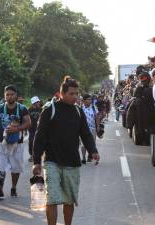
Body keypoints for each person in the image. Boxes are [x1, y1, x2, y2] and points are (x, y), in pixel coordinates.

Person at [32, 76, 99, 225]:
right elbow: (40, 137)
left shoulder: (78, 112)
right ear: (61, 94)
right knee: (52, 199)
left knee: (69, 201)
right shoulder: (50, 110)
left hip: (72, 162)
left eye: (77, 94)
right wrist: (36, 161)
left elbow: (86, 134)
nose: (75, 97)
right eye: (71, 94)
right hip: (52, 162)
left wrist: (93, 150)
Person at [0, 85, 31, 199]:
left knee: (15, 167)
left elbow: (28, 123)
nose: (9, 96)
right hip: (2, 142)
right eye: (7, 94)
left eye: (11, 94)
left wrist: (17, 128)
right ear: (4, 96)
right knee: (1, 166)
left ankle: (13, 187)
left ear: (16, 95)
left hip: (17, 142)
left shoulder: (22, 108)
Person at [80, 94, 100, 164]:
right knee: (83, 145)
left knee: (92, 143)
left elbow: (97, 117)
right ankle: (83, 157)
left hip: (92, 129)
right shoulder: (80, 108)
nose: (90, 101)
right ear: (84, 101)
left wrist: (98, 126)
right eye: (88, 99)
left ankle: (89, 156)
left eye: (90, 99)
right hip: (83, 129)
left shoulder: (94, 108)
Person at [28, 96, 42, 162]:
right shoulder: (29, 110)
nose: (38, 103)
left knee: (39, 142)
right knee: (31, 141)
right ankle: (31, 155)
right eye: (37, 102)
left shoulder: (41, 109)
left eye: (38, 102)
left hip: (39, 129)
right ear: (34, 103)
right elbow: (26, 119)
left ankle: (38, 155)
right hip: (31, 129)